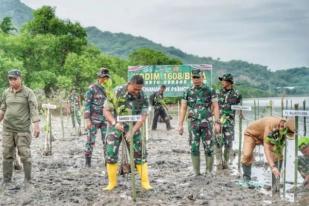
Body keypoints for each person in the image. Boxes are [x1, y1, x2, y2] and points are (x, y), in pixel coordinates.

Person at [103, 75, 152, 191]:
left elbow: (143, 116)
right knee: (110, 153)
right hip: (116, 127)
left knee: (140, 153)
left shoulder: (143, 95)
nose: (137, 92)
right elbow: (106, 110)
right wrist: (115, 123)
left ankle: (145, 183)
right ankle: (112, 183)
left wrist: (132, 131)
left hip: (133, 126)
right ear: (129, 84)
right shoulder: (117, 91)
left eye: (139, 89)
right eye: (135, 89)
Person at [0, 69, 40, 189]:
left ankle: (27, 180)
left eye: (14, 79)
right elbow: (3, 109)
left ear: (20, 78)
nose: (12, 81)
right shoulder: (6, 92)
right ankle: (7, 180)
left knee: (25, 154)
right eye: (10, 79)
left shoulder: (28, 93)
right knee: (6, 154)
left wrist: (36, 125)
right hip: (8, 128)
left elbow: (34, 110)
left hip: (22, 129)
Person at [178, 69, 221, 175]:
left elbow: (215, 107)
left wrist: (217, 123)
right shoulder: (187, 91)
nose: (196, 79)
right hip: (193, 124)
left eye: (198, 77)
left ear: (202, 78)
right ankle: (196, 172)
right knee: (194, 147)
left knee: (209, 146)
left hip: (207, 123)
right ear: (191, 78)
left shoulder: (210, 90)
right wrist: (180, 124)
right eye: (194, 77)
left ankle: (209, 171)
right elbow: (183, 108)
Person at [241, 116, 295, 191]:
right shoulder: (271, 125)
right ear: (283, 126)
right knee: (247, 154)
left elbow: (278, 150)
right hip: (251, 134)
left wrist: (277, 161)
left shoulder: (285, 128)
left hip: (264, 136)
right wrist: (273, 167)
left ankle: (275, 183)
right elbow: (267, 148)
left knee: (277, 154)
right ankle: (246, 177)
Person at [83, 68, 110, 167]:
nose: (105, 79)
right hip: (93, 119)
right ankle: (88, 162)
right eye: (103, 77)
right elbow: (87, 104)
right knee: (90, 140)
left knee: (107, 141)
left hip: (105, 119)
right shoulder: (92, 89)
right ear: (99, 77)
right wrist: (87, 120)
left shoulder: (109, 89)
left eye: (106, 77)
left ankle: (108, 161)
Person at [216, 73, 242, 169]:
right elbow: (214, 106)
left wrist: (241, 115)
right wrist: (215, 121)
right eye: (221, 80)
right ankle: (218, 161)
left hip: (229, 122)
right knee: (217, 141)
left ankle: (226, 162)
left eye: (223, 80)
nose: (222, 82)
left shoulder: (237, 94)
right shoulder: (217, 92)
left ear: (229, 82)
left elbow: (240, 108)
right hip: (218, 120)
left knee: (228, 142)